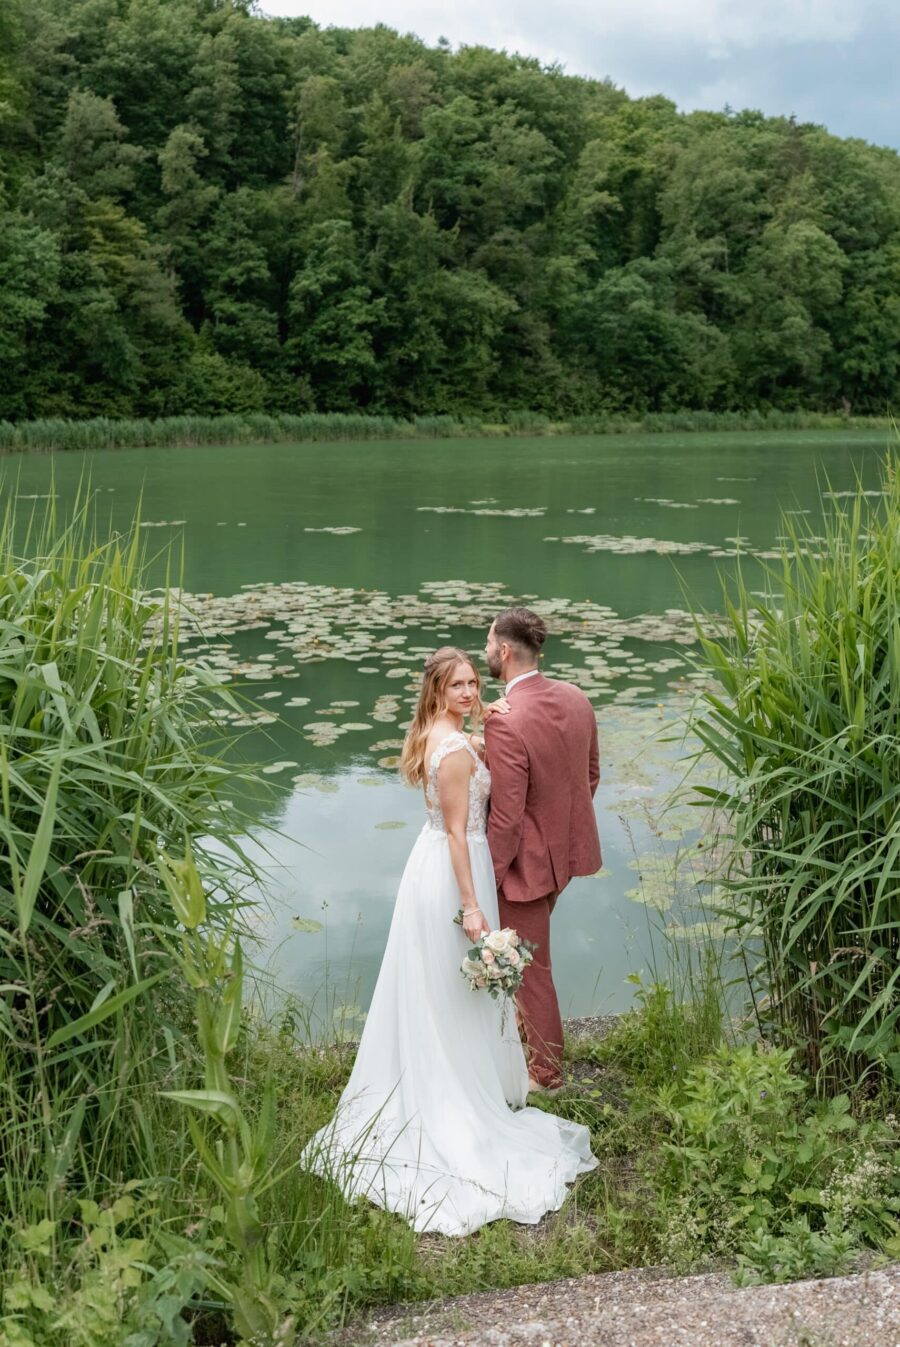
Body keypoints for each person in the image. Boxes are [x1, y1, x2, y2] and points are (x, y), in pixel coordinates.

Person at [301, 646, 596, 1236]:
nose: (469, 692)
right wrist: (471, 905)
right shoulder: (457, 751)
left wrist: (491, 723)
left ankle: (449, 1075)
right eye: (458, 685)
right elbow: (462, 835)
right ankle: (456, 1097)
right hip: (457, 872)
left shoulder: (439, 734)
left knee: (437, 986)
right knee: (456, 986)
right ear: (438, 691)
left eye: (471, 682)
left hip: (429, 864)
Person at [484, 608, 601, 1092]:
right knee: (526, 960)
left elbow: (507, 816)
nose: (486, 651)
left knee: (530, 969)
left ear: (505, 651)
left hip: (522, 870)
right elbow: (589, 776)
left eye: (488, 644)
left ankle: (546, 1076)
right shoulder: (575, 697)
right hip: (563, 861)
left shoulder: (508, 722)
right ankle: (518, 1042)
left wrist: (484, 876)